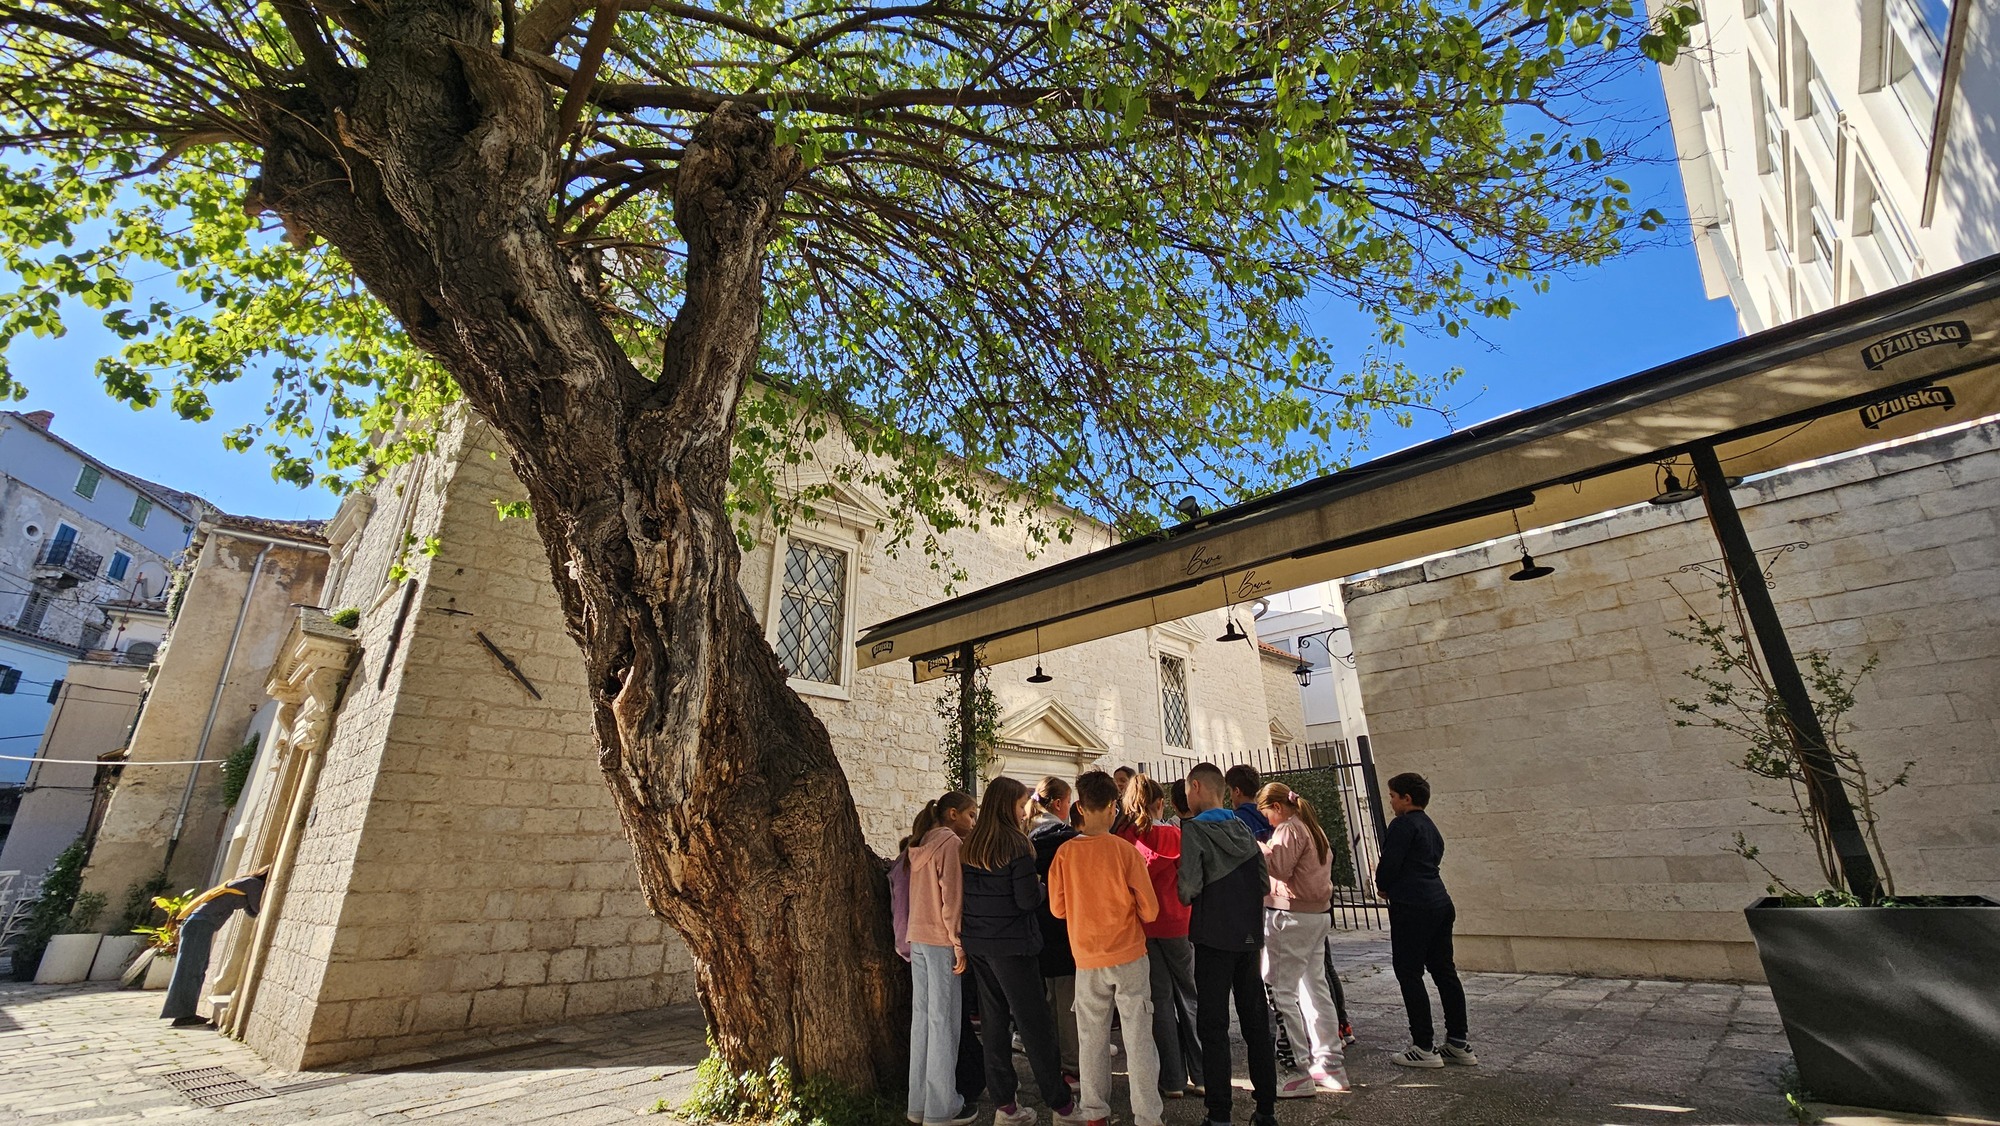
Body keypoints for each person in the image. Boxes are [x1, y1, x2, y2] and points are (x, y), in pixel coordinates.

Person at [1181, 764, 1301, 1126]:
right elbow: (1264, 883)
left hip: (1212, 938)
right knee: (1255, 1023)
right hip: (1249, 938)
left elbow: (1187, 889)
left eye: (1188, 790)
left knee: (1213, 1026)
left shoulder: (1194, 831)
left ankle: (1219, 1115)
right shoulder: (1244, 828)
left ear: (1197, 787)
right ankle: (1266, 1109)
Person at [962, 777, 1083, 1126]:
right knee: (1036, 1026)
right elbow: (1026, 900)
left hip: (980, 944)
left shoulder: (970, 846)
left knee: (995, 1024)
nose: (1023, 811)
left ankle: (1005, 1105)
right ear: (1007, 806)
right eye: (1019, 805)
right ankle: (1060, 1105)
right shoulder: (1016, 846)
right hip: (1013, 945)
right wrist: (1041, 887)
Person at [1049, 771, 1162, 1126]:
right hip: (1128, 954)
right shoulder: (1125, 851)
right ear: (1114, 807)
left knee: (1091, 1039)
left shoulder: (1065, 854)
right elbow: (1151, 909)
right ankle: (1147, 1116)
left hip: (1086, 958)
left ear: (1080, 806)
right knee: (1139, 1037)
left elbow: (1057, 908)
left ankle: (1095, 1111)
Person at [1377, 772, 1476, 1069]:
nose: (1391, 802)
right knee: (1445, 971)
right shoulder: (1430, 826)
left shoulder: (1403, 824)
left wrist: (1384, 885)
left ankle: (1423, 1045)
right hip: (1439, 901)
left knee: (1409, 972)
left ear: (1407, 798)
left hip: (1412, 905)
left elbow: (1389, 864)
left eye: (1393, 796)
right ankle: (1458, 1041)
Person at [1116, 773, 1205, 1100]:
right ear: (1159, 803)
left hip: (1143, 926)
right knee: (1190, 994)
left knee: (1160, 1001)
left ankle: (1171, 1079)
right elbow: (1190, 878)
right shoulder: (1174, 835)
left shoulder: (1123, 838)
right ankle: (1203, 1073)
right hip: (1178, 923)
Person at [1256, 784, 1348, 1092]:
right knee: (1314, 987)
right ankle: (1331, 1064)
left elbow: (1279, 868)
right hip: (1317, 915)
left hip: (1291, 916)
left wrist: (1260, 847)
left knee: (1279, 990)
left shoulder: (1288, 829)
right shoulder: (1313, 829)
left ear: (1277, 808)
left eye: (1266, 812)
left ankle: (1295, 1070)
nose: (1267, 819)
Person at [908, 791, 981, 1126]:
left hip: (918, 938)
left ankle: (919, 1103)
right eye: (971, 815)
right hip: (940, 940)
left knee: (923, 1021)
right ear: (953, 814)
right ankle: (942, 1107)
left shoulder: (921, 843)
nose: (973, 822)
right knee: (944, 1023)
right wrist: (958, 943)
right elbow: (952, 897)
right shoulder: (949, 843)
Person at [161, 866, 270, 1027]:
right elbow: (257, 908)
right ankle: (182, 1015)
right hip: (201, 924)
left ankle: (184, 1013)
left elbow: (251, 911)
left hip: (200, 923)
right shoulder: (253, 884)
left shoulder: (245, 882)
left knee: (196, 968)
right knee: (191, 969)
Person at [1028, 776, 1082, 1077]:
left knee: (1048, 999)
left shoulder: (1027, 836)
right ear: (1060, 803)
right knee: (1068, 1002)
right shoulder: (1067, 839)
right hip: (1064, 926)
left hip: (1037, 926)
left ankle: (1052, 1061)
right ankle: (1072, 1064)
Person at [1224, 764, 1273, 843]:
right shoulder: (1271, 816)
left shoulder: (1234, 821)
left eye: (1230, 791)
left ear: (1237, 791)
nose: (1230, 798)